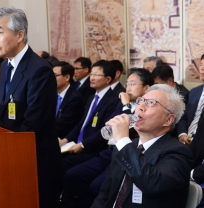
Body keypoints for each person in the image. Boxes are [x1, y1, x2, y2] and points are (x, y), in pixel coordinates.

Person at [0, 7, 61, 208]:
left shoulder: (39, 70)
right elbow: (1, 108)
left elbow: (34, 122)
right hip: (9, 153)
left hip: (34, 159)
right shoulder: (5, 66)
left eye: (0, 32)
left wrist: (8, 148)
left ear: (20, 34)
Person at [60, 68, 154, 208]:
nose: (128, 88)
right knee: (73, 175)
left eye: (133, 84)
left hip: (126, 155)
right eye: (127, 83)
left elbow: (130, 127)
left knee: (97, 186)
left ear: (147, 88)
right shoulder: (120, 102)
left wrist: (126, 105)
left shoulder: (145, 108)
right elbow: (108, 127)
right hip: (108, 151)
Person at [91, 84, 193, 208]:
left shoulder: (178, 152)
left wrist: (123, 140)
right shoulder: (125, 146)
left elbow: (152, 184)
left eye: (151, 103)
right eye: (141, 101)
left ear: (168, 120)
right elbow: (106, 193)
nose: (140, 107)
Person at [60, 60, 119, 177]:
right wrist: (65, 140)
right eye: (91, 74)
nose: (92, 78)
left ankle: (68, 195)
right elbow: (81, 124)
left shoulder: (113, 100)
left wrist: (82, 145)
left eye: (96, 75)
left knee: (64, 164)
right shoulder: (92, 97)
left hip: (94, 149)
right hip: (79, 145)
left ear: (108, 79)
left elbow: (105, 130)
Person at [177, 54, 204, 145]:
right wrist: (182, 134)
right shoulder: (194, 92)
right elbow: (183, 117)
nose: (201, 68)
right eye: (201, 64)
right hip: (186, 143)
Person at [53, 61, 84, 139]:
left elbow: (64, 125)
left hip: (65, 140)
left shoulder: (75, 98)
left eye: (55, 75)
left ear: (67, 77)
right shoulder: (51, 95)